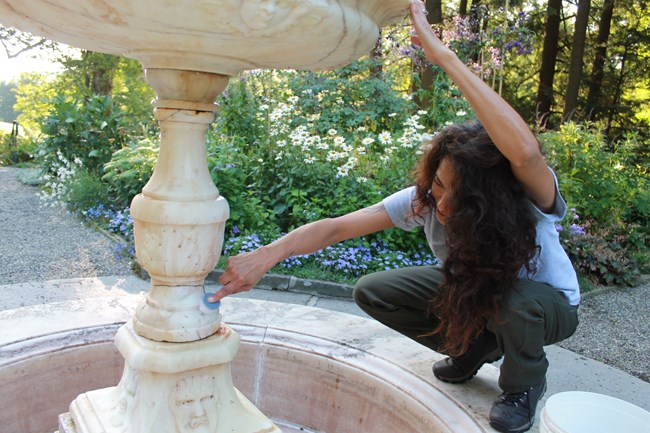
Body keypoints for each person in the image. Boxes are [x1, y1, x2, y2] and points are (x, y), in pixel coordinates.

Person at [209, 1, 580, 432]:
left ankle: (522, 385)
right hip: (481, 293)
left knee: (512, 301)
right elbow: (338, 227)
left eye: (459, 200)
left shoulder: (528, 197)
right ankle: (477, 345)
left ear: (489, 200)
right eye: (438, 186)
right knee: (375, 291)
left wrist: (443, 57)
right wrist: (266, 256)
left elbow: (526, 151)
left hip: (545, 306)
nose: (441, 204)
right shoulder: (424, 199)